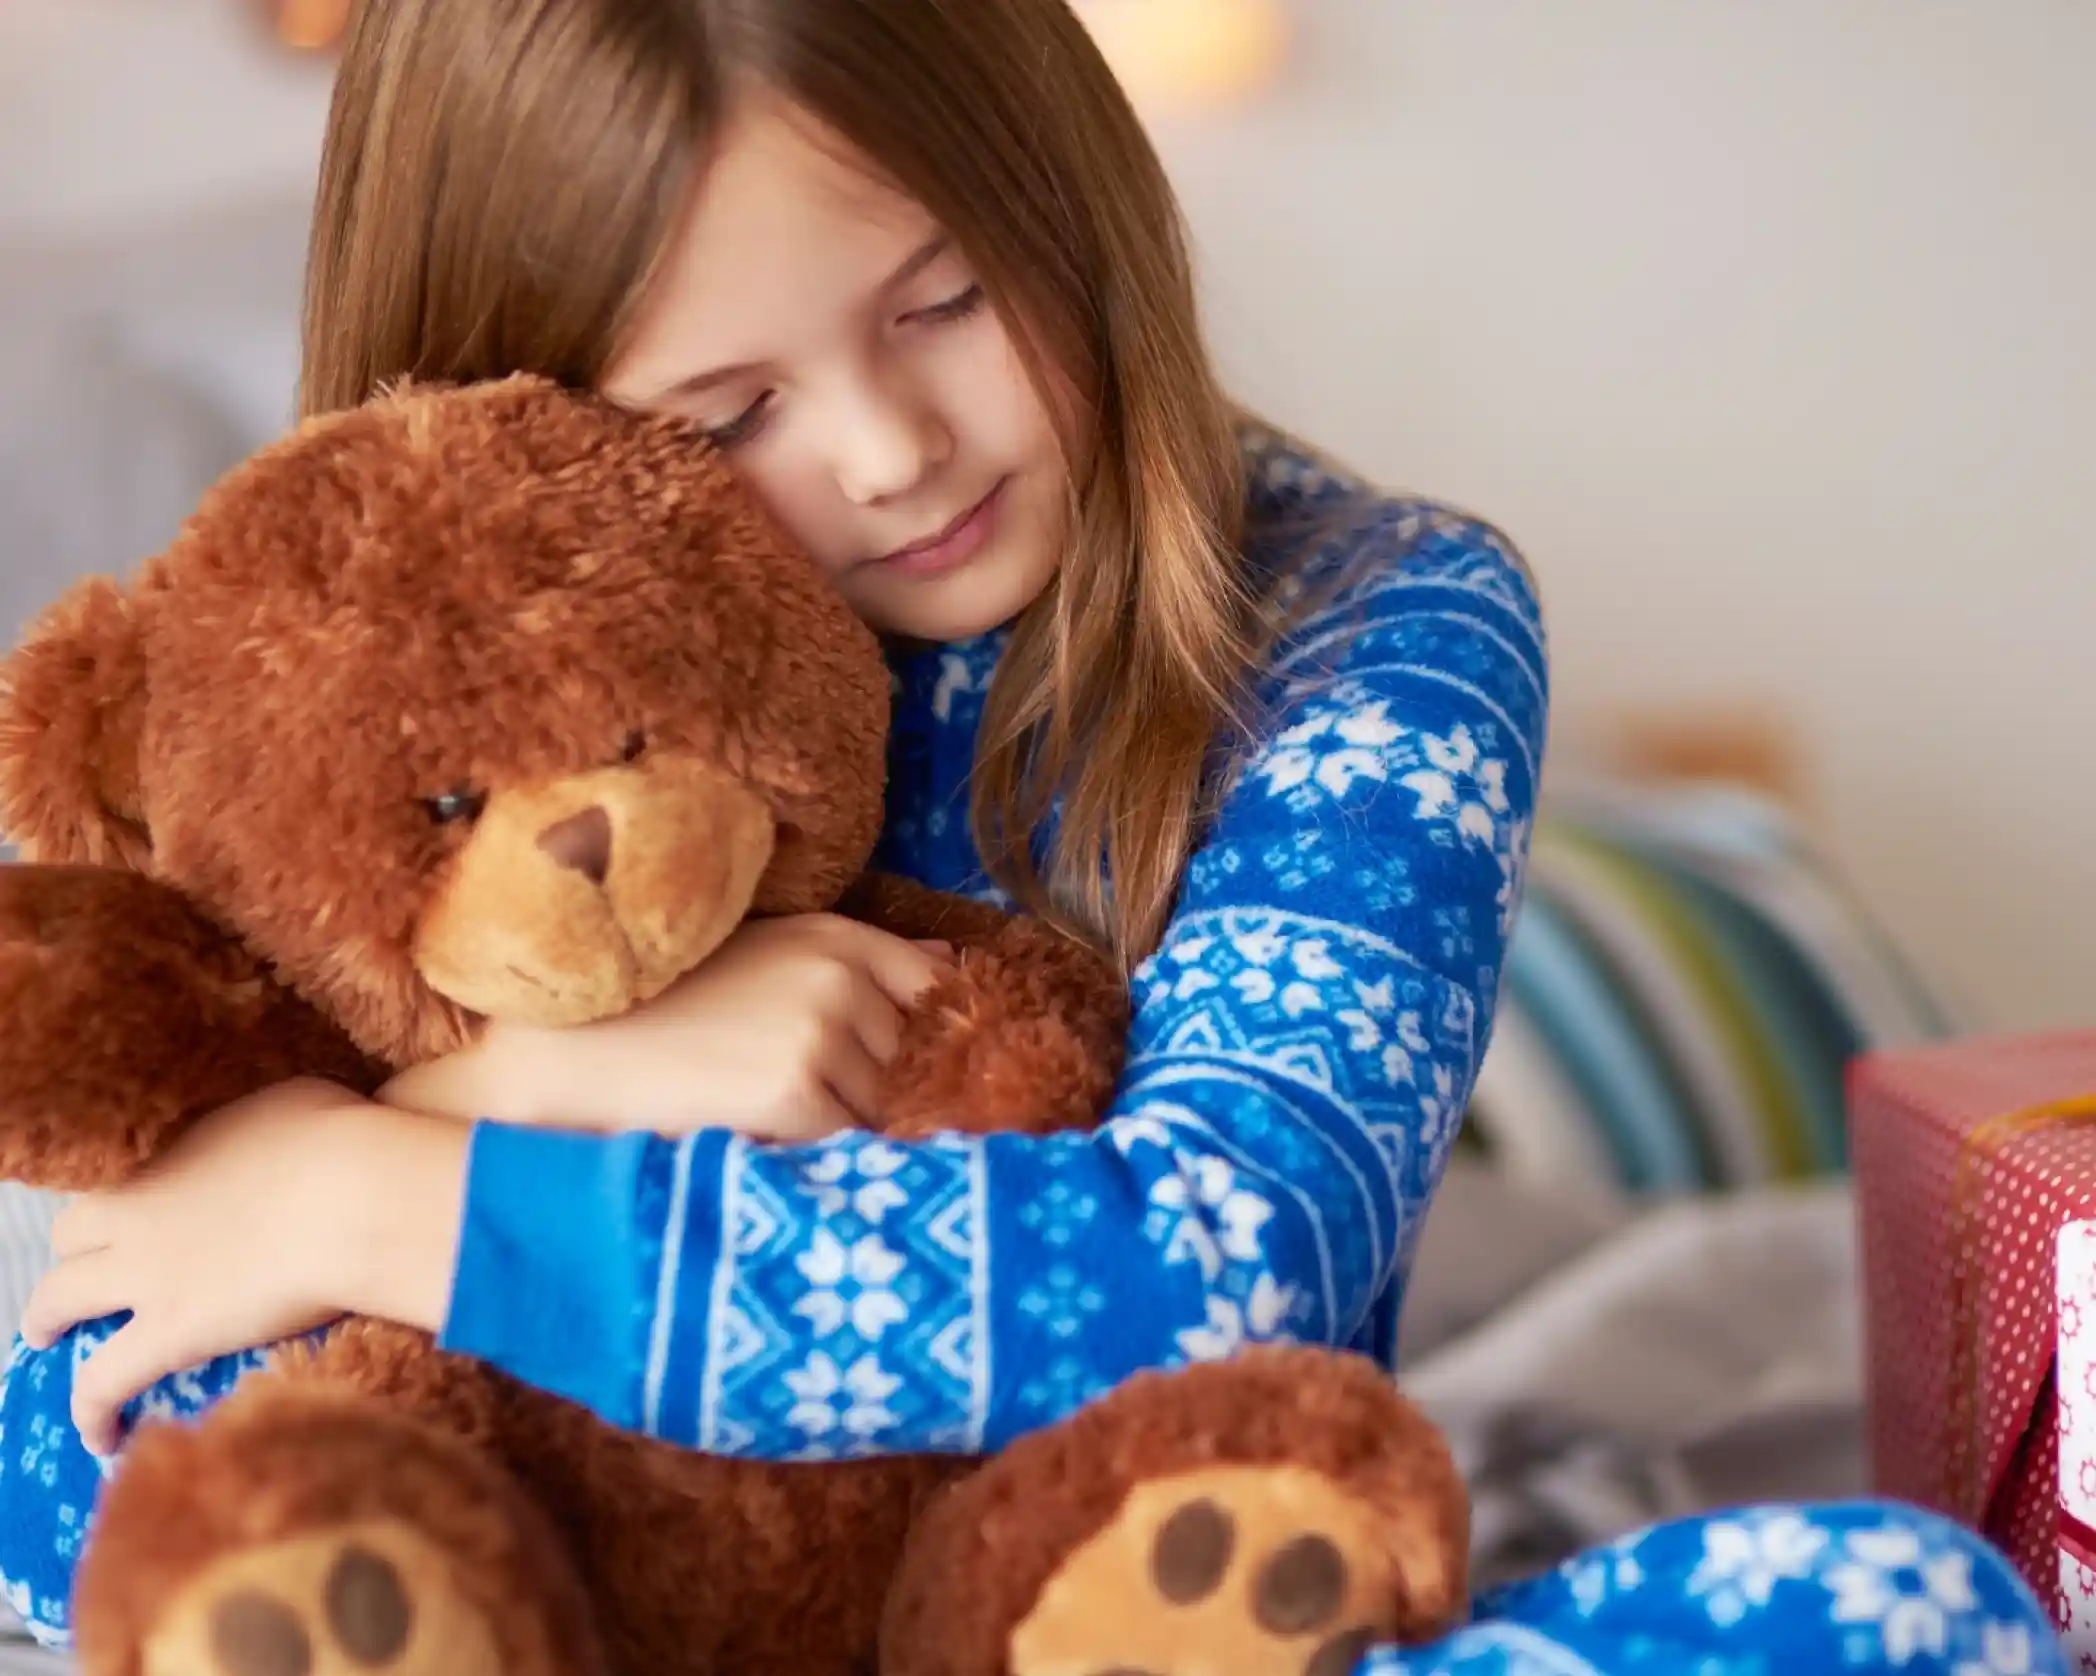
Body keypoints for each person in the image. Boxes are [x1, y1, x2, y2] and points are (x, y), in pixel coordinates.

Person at [0, 2, 2060, 1672]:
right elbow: (71, 1466)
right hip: (568, 1602)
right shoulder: (364, 721)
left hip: (1101, 1605)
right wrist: (514, 1084)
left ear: (1075, 205)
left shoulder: (1375, 625)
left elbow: (1222, 1275)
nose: (894, 450)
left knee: (1907, 1619)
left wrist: (401, 1201)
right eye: (727, 417)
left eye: (949, 296)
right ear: (509, 420)